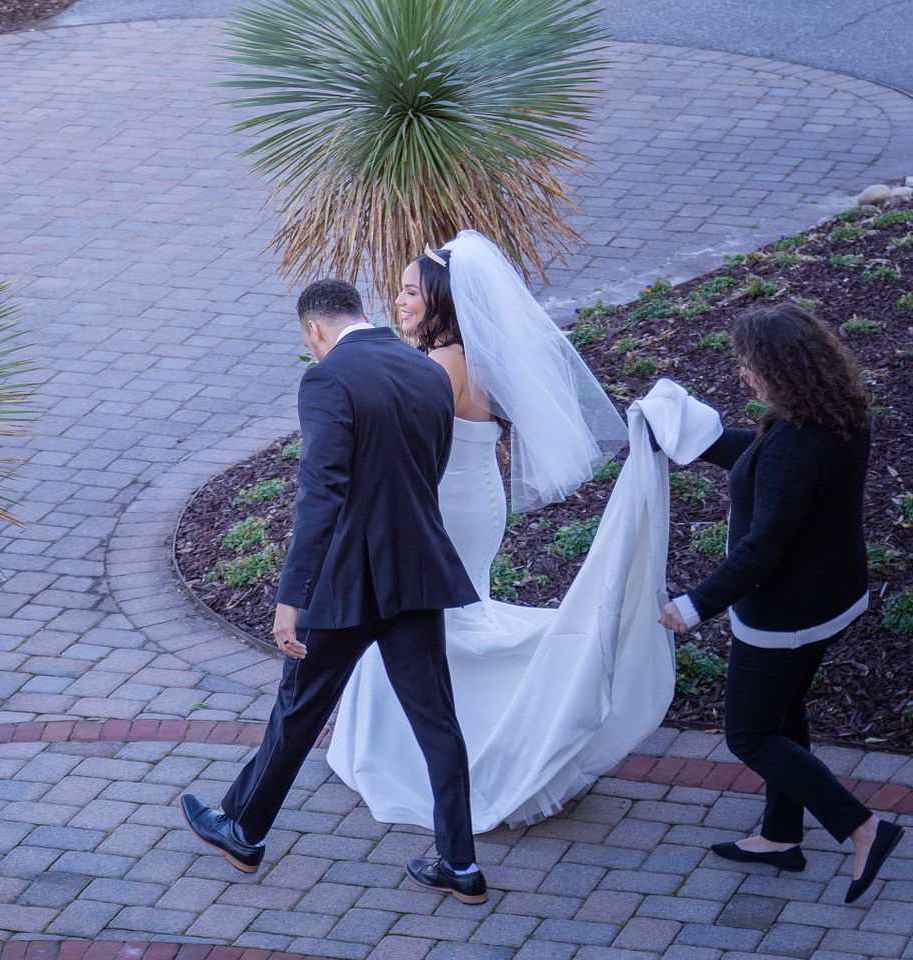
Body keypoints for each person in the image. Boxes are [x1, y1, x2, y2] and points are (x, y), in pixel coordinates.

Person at [327, 231, 677, 831]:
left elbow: (411, 450)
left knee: (440, 623)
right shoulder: (471, 354)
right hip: (475, 497)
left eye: (413, 292)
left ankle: (481, 751)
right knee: (456, 612)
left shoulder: (439, 365)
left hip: (448, 505)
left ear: (441, 299)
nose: (401, 300)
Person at [180, 278, 489, 904]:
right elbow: (426, 471)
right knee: (438, 723)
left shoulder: (327, 381)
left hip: (349, 583)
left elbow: (321, 494)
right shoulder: (429, 372)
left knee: (299, 708)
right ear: (363, 313)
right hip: (417, 574)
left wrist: (290, 599)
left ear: (314, 330)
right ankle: (461, 864)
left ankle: (243, 829)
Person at [659, 303, 904, 904]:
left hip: (786, 615)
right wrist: (702, 435)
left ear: (784, 370)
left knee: (749, 734)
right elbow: (764, 460)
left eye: (752, 365)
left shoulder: (797, 443)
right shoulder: (837, 415)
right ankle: (779, 835)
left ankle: (862, 825)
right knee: (785, 715)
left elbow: (763, 549)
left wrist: (693, 606)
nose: (745, 375)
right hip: (833, 598)